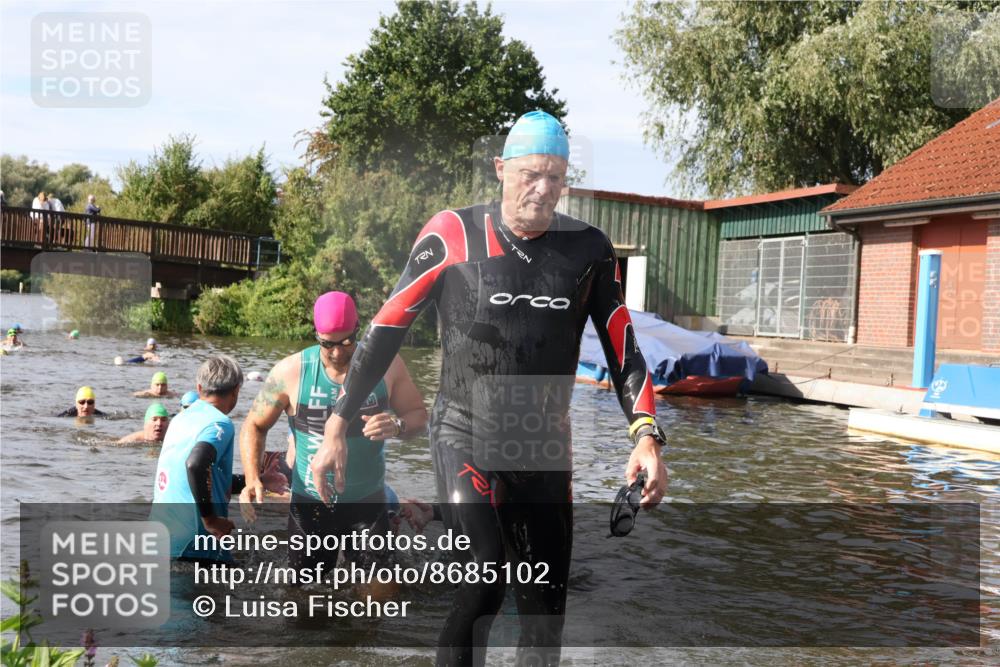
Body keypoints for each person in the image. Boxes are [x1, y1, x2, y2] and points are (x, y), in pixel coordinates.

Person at [310, 110, 668, 665]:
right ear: (501, 169)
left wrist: (646, 437)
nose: (543, 189)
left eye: (555, 176)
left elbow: (624, 348)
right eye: (530, 173)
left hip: (544, 449)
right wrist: (337, 422)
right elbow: (385, 329)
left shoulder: (589, 250)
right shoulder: (453, 233)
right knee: (486, 576)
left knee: (545, 624)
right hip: (464, 434)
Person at [238, 291, 429, 572]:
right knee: (303, 602)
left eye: (347, 342)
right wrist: (252, 477)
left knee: (378, 601)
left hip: (367, 502)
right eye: (328, 344)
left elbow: (419, 416)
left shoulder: (387, 365)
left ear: (358, 329)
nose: (338, 353)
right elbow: (254, 425)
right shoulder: (292, 371)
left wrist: (398, 425)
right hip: (310, 505)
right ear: (316, 335)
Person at [151, 355, 243, 561]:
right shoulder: (220, 423)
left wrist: (256, 481)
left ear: (199, 388)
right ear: (236, 390)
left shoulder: (178, 420)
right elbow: (195, 464)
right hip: (194, 544)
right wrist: (210, 520)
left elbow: (203, 476)